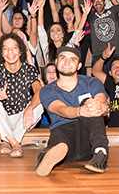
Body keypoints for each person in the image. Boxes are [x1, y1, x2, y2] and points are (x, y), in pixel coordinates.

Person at [35, 44, 110, 176]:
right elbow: (60, 109)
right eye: (63, 58)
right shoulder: (47, 90)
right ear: (56, 62)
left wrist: (103, 106)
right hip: (65, 137)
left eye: (72, 59)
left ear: (79, 65)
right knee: (60, 139)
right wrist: (80, 111)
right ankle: (48, 155)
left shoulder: (92, 82)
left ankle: (100, 155)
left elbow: (101, 101)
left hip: (89, 139)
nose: (67, 62)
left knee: (90, 103)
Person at [0, 32, 44, 157]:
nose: (10, 52)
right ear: (1, 53)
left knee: (39, 104)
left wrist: (30, 108)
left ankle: (6, 140)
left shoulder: (29, 70)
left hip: (22, 118)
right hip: (2, 118)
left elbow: (39, 91)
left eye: (14, 48)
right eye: (5, 49)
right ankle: (15, 143)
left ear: (21, 51)